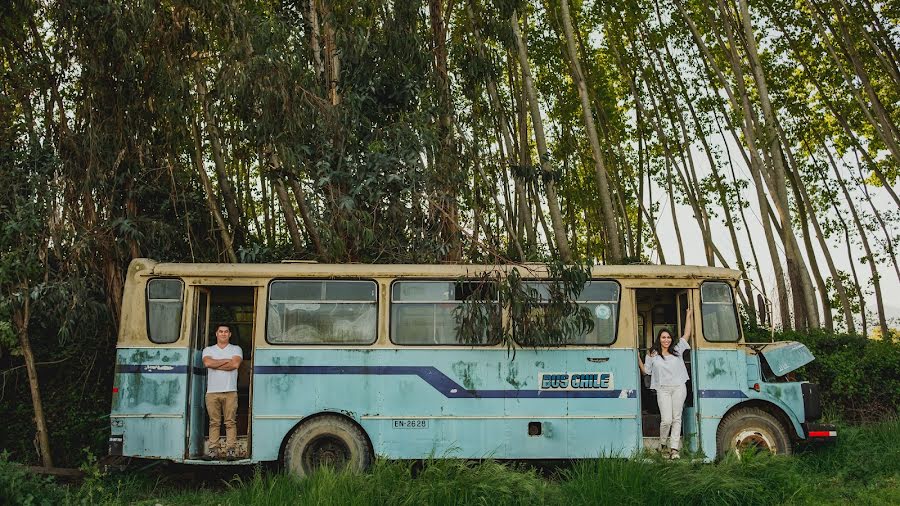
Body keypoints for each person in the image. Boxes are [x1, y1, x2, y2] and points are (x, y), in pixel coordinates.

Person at [638, 308, 693, 460]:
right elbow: (646, 372)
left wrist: (688, 315)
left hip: (679, 388)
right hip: (662, 389)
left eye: (668, 337)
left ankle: (674, 449)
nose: (666, 340)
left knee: (677, 418)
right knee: (666, 420)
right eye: (663, 337)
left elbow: (686, 334)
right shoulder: (652, 354)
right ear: (659, 339)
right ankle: (663, 445)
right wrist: (637, 357)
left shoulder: (677, 349)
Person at [202, 324, 243, 460]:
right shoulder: (208, 349)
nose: (223, 334)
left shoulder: (236, 349)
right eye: (221, 331)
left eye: (226, 332)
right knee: (214, 422)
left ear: (230, 334)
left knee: (230, 422)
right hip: (212, 392)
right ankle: (213, 451)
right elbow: (208, 363)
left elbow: (235, 365)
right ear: (216, 334)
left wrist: (216, 363)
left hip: (230, 391)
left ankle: (231, 450)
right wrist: (226, 361)